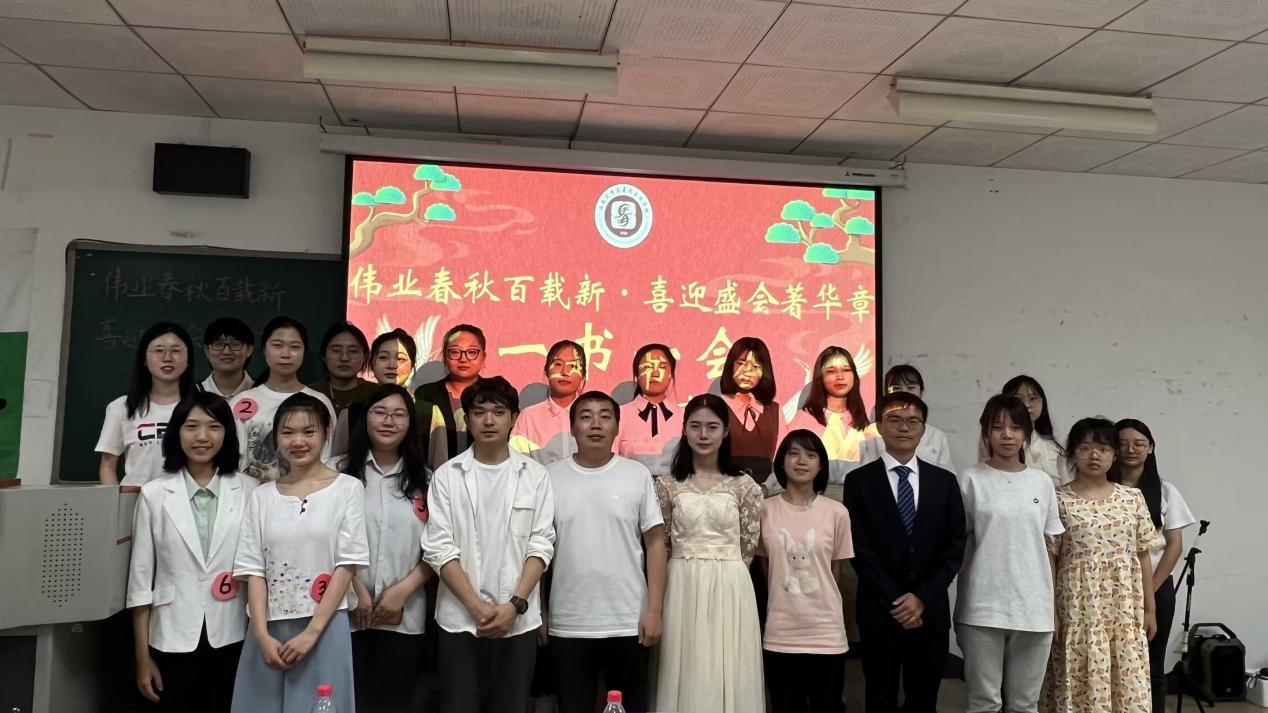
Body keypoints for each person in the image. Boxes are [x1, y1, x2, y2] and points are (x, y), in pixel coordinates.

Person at [421, 376, 555, 713]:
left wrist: (514, 605)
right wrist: (476, 606)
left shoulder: (535, 475)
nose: (489, 420)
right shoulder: (447, 475)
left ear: (513, 418)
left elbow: (541, 544)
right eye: (479, 413)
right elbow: (438, 547)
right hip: (460, 620)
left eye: (499, 412)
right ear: (467, 419)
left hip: (518, 621)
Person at [231, 393, 369, 713]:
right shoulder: (262, 496)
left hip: (325, 625)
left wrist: (312, 633)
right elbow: (254, 570)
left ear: (326, 434)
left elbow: (346, 565)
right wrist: (261, 634)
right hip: (267, 629)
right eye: (288, 432)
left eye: (309, 432)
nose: (298, 441)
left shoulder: (348, 488)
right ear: (276, 437)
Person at [128, 391, 257, 713]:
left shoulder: (250, 490)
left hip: (234, 633)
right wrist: (142, 657)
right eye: (191, 426)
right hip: (171, 636)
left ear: (227, 433)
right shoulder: (154, 494)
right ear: (177, 432)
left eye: (213, 427)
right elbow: (140, 583)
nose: (202, 436)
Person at [843, 391, 965, 713]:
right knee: (879, 697)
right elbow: (859, 548)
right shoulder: (858, 482)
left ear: (923, 429)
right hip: (879, 609)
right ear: (879, 427)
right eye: (894, 419)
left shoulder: (944, 482)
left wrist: (921, 597)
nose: (904, 427)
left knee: (923, 699)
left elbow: (954, 547)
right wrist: (897, 601)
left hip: (930, 610)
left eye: (913, 421)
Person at [546, 391, 667, 713]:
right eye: (585, 417)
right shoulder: (550, 477)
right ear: (572, 427)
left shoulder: (636, 475)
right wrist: (539, 611)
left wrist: (654, 610)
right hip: (569, 620)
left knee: (631, 706)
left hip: (628, 620)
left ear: (617, 427)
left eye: (605, 416)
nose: (595, 424)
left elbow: (656, 543)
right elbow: (539, 549)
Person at [653, 394, 764, 713]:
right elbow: (662, 544)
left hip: (730, 585)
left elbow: (748, 546)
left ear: (726, 431)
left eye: (712, 427)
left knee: (727, 663)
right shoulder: (667, 485)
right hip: (681, 584)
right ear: (684, 429)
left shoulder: (744, 486)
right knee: (684, 662)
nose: (703, 434)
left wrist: (721, 574)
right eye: (695, 426)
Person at [1041, 417, 1158, 713]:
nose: (1094, 455)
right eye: (1085, 448)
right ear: (1073, 453)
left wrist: (1150, 608)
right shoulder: (1058, 499)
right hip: (1077, 609)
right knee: (1077, 677)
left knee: (1126, 680)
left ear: (1114, 455)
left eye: (1103, 449)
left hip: (1124, 609)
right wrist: (1052, 612)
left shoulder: (1132, 499)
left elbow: (1143, 555)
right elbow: (1051, 558)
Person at [955, 395, 1062, 713]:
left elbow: (1049, 548)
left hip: (1034, 609)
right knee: (984, 701)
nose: (1007, 435)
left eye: (1016, 427)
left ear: (1026, 433)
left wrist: (1053, 605)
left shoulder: (1041, 482)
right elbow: (956, 544)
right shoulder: (970, 479)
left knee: (1025, 704)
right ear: (986, 433)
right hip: (982, 607)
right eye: (997, 427)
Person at [340, 384, 432, 713]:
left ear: (410, 423)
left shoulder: (428, 481)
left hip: (404, 615)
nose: (388, 421)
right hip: (345, 613)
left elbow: (439, 546)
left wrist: (402, 590)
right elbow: (323, 538)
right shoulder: (337, 474)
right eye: (380, 412)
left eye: (398, 414)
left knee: (394, 703)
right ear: (365, 419)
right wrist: (354, 588)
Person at [757, 430, 853, 713]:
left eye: (811, 455)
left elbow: (834, 572)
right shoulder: (765, 510)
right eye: (794, 453)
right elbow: (766, 567)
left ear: (821, 465)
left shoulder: (836, 512)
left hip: (826, 632)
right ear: (781, 462)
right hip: (780, 631)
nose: (802, 461)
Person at [1110, 419, 1195, 713]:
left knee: (1152, 666)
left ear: (1151, 448)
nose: (1131, 449)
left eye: (1139, 444)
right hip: (1110, 588)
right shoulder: (1104, 490)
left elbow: (1174, 545)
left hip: (1156, 587)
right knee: (1111, 663)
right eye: (1123, 443)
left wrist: (1150, 590)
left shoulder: (1165, 491)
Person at [230, 316, 336, 482]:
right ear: (264, 350)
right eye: (277, 345)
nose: (285, 354)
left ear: (304, 352)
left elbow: (326, 458)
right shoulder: (241, 402)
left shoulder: (319, 401)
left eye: (294, 347)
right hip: (249, 493)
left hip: (306, 493)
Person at [98, 321, 197, 486]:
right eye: (159, 350)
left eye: (176, 351)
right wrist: (116, 501)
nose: (167, 358)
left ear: (188, 360)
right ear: (144, 359)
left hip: (187, 499)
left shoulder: (202, 407)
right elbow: (107, 466)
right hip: (136, 499)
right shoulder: (122, 407)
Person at [787, 346, 874, 501]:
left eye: (846, 370)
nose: (840, 377)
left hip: (860, 500)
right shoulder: (806, 418)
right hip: (816, 500)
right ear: (820, 377)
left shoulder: (864, 422)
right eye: (831, 371)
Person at [333, 328, 418, 456]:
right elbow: (336, 462)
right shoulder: (350, 413)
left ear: (412, 365)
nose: (392, 365)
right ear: (372, 363)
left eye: (400, 359)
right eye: (383, 357)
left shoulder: (429, 413)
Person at [416, 324, 487, 471]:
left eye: (472, 352)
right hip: (435, 475)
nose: (463, 359)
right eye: (455, 352)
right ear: (444, 356)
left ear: (483, 357)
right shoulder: (425, 394)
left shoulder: (497, 394)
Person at [859, 364, 954, 473]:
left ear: (921, 392)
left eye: (911, 388)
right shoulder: (871, 434)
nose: (903, 392)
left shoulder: (937, 436)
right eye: (896, 388)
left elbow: (947, 476)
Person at [719, 337, 783, 491]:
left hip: (765, 494)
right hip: (724, 494)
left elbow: (784, 459)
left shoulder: (774, 411)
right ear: (730, 366)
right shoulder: (716, 407)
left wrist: (767, 489)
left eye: (755, 366)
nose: (747, 372)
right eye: (741, 364)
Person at [512, 340, 587, 466]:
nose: (565, 372)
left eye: (573, 366)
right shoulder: (528, 417)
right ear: (546, 371)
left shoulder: (595, 417)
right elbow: (518, 464)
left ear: (583, 375)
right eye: (558, 364)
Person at [615, 343, 680, 477]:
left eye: (662, 367)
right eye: (647, 367)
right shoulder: (619, 415)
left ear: (671, 373)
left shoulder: (684, 416)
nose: (655, 373)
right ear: (636, 374)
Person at [992, 375, 1067, 487]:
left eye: (1033, 398)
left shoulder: (1053, 449)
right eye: (1018, 399)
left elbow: (1067, 489)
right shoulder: (997, 444)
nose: (1027, 405)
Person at [310, 321, 377, 414]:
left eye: (353, 351)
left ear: (365, 356)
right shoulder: (309, 394)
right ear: (324, 356)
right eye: (336, 350)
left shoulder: (377, 394)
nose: (344, 358)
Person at [200, 318, 255, 398]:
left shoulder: (263, 392)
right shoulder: (191, 395)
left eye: (235, 344)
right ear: (206, 350)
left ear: (249, 350)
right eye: (219, 344)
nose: (227, 352)